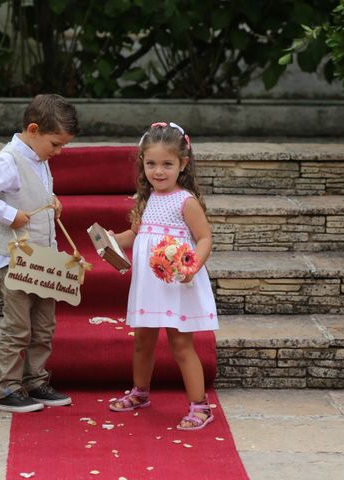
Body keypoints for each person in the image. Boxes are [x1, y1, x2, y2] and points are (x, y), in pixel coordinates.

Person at [0, 94, 80, 413]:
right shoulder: (9, 159)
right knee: (18, 327)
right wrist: (8, 214)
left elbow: (32, 192)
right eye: (55, 144)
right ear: (33, 130)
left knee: (44, 326)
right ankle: (7, 388)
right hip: (16, 263)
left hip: (43, 261)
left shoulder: (37, 158)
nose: (58, 152)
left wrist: (52, 199)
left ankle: (35, 380)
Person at [108, 122, 219, 431]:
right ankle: (140, 392)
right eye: (151, 163)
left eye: (167, 164)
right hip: (148, 284)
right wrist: (111, 239)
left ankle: (200, 405)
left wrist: (192, 268)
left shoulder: (186, 201)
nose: (158, 171)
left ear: (182, 164)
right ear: (142, 164)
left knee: (181, 344)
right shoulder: (145, 199)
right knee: (142, 341)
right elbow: (134, 234)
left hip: (175, 283)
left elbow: (205, 238)